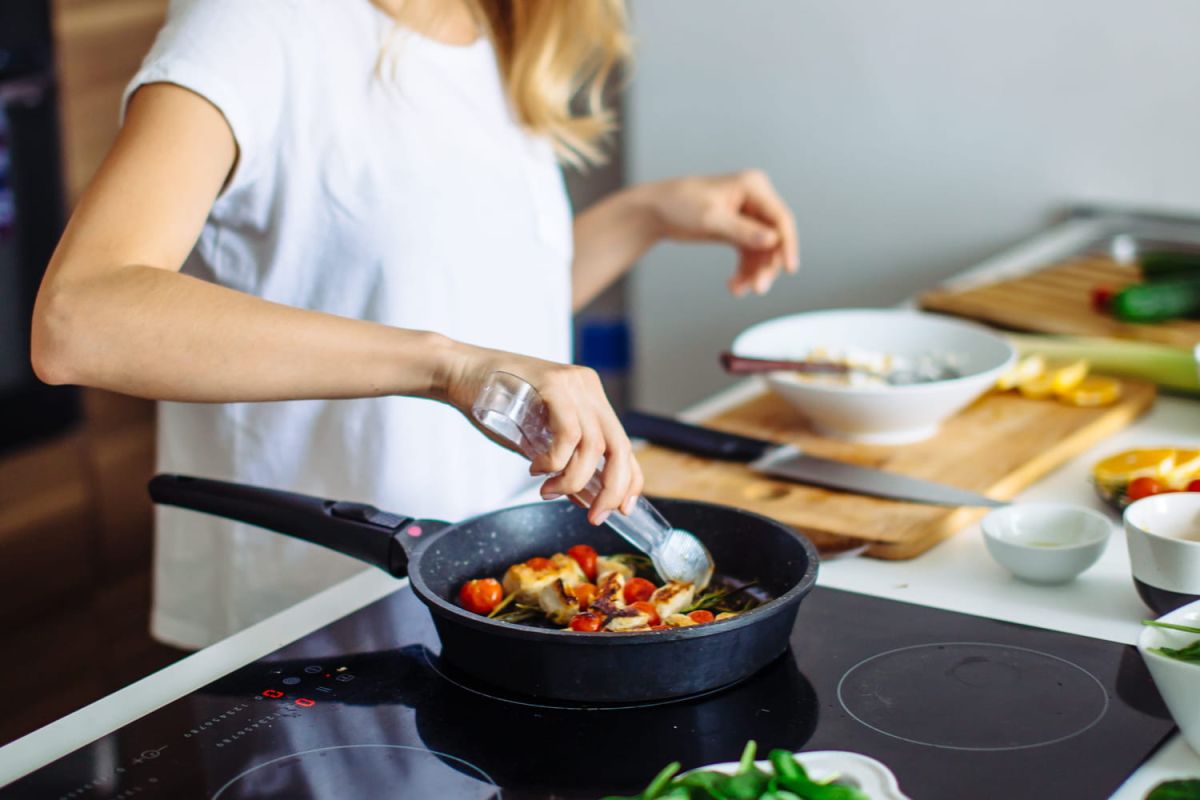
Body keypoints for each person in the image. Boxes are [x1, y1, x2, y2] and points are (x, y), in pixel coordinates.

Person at [31, 0, 799, 649]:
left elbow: (477, 313)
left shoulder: (491, 25)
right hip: (316, 619)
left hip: (495, 609)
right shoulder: (252, 22)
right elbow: (81, 318)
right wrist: (446, 366)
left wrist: (644, 216)